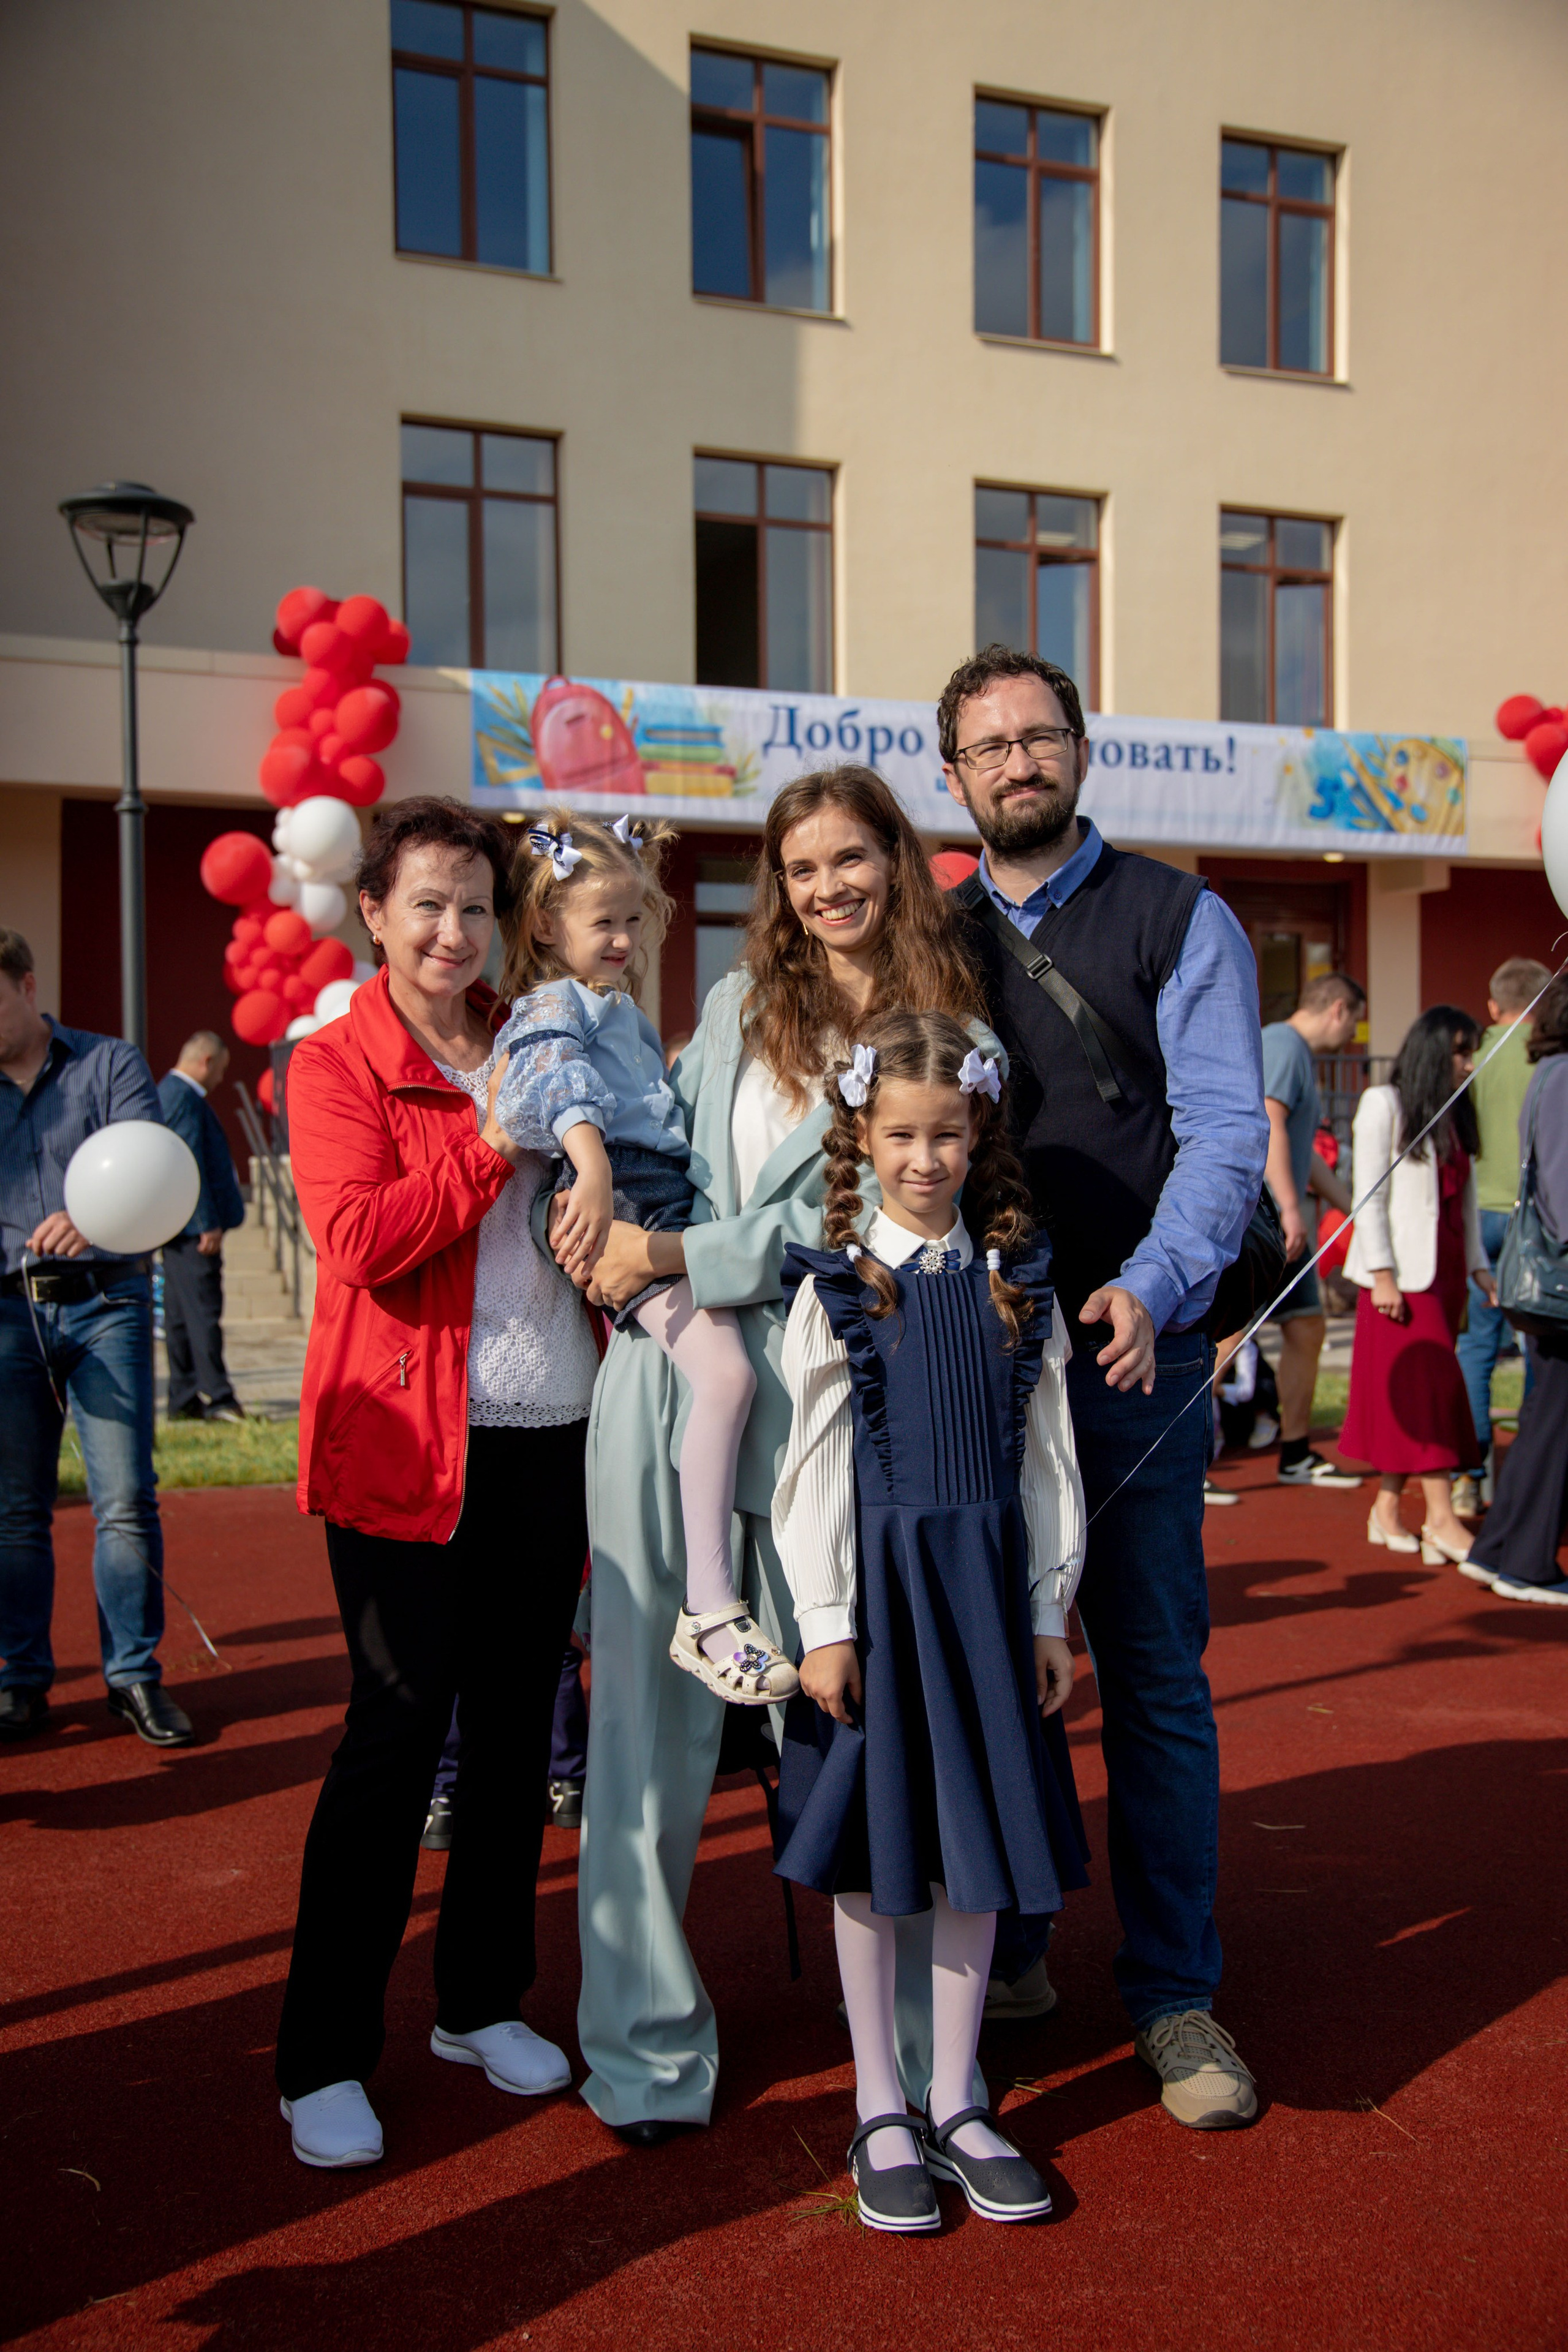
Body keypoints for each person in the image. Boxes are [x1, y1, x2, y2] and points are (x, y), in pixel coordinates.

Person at [572, 764, 1001, 2146]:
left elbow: (862, 1215)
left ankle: (933, 2063)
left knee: (875, 1722)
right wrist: (632, 1246)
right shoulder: (727, 1008)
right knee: (648, 1741)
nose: (826, 888)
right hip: (681, 1397)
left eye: (849, 858)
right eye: (800, 866)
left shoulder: (943, 1025)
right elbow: (659, 1168)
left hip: (845, 1412)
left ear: (894, 856)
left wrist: (680, 1253)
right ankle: (642, 2051)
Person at [940, 644, 1268, 2130]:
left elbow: (1218, 1133)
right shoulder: (929, 934)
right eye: (987, 746)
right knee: (986, 1670)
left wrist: (1153, 1281)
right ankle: (1005, 1951)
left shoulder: (1176, 916)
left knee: (1147, 1676)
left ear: (1080, 749)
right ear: (950, 777)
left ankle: (1172, 1994)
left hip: (1137, 1349)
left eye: (1037, 735)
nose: (1017, 761)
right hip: (972, 1356)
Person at [276, 797, 600, 2171]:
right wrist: (487, 1143)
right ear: (375, 915)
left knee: (521, 1730)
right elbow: (356, 1237)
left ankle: (480, 2000)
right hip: (408, 1449)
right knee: (395, 1741)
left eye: (475, 906)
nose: (454, 932)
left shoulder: (538, 1032)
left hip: (549, 1426)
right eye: (427, 906)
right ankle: (321, 2057)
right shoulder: (333, 1062)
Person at [774, 1011, 1088, 2232]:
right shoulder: (839, 1292)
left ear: (976, 1134)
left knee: (972, 1854)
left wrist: (1049, 1610)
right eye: (899, 1135)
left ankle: (956, 2099)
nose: (922, 1158)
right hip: (881, 1611)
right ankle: (877, 2103)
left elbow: (1050, 1463)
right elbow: (805, 1472)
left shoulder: (1018, 1288)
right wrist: (825, 1620)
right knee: (874, 1853)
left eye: (944, 1135)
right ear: (863, 1134)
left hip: (982, 1610)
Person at [493, 810, 791, 1706]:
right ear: (546, 924)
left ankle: (694, 1588)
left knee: (722, 1380)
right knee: (727, 1380)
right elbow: (546, 1085)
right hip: (619, 1195)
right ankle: (708, 1606)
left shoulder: (614, 1009)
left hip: (648, 1191)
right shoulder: (555, 1005)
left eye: (633, 919)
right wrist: (587, 1168)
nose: (623, 938)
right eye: (603, 922)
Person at [0, 929, 191, 1749]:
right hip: (8, 1314)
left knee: (123, 1500)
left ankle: (134, 1678)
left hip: (108, 1303)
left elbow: (147, 1170)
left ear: (26, 984)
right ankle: (20, 1681)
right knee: (14, 1510)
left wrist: (91, 1222)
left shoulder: (109, 1063)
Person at [1340, 1006, 1493, 1564]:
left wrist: (1478, 1266)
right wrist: (1381, 1273)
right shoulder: (1384, 1102)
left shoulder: (1454, 1109)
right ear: (1432, 1052)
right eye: (1459, 1051)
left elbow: (1466, 1200)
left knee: (1416, 1397)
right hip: (1400, 1279)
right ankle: (1442, 1518)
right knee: (1431, 1393)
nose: (1468, 1062)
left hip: (1447, 1273)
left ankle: (1385, 1508)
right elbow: (1369, 1194)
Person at [1461, 974, 1568, 1602]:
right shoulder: (1560, 1075)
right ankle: (1524, 1559)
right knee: (1550, 1418)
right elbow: (1560, 1187)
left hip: (1544, 1265)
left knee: (1545, 1415)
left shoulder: (1548, 1071)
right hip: (1558, 1270)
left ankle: (1502, 1546)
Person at [1453, 957, 1552, 1513]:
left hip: (1478, 1215)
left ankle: (1471, 1473)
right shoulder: (1550, 1056)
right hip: (1535, 1218)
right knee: (1541, 1349)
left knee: (1477, 1348)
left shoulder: (1472, 1053)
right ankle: (1537, 1473)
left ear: (1494, 1007)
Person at [1259, 973, 1365, 1488]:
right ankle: (1197, 1460)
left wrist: (1352, 1205)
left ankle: (1296, 1452)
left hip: (1283, 1213)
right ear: (1339, 1010)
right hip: (1263, 1219)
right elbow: (1270, 1120)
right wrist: (1288, 1207)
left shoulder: (1294, 1051)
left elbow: (1300, 1149)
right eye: (1355, 1023)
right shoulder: (1283, 1044)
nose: (1351, 1037)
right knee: (1230, 1335)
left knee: (1306, 1327)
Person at [157, 1030, 247, 1424]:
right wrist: (205, 1222)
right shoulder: (184, 1097)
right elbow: (187, 1162)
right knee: (201, 1313)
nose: (222, 1079)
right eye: (222, 1069)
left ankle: (184, 1397)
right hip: (193, 1231)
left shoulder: (171, 1094)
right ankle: (219, 1398)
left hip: (180, 1228)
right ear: (207, 1061)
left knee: (179, 1316)